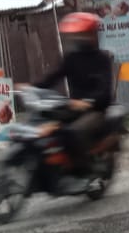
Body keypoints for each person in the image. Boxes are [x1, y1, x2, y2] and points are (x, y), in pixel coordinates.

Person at [35, 11, 114, 176]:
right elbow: (53, 77)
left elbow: (105, 90)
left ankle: (83, 169)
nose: (79, 38)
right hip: (73, 107)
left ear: (92, 34)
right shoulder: (71, 58)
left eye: (82, 34)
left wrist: (89, 102)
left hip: (95, 110)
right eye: (76, 35)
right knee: (46, 127)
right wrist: (32, 87)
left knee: (73, 132)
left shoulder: (102, 59)